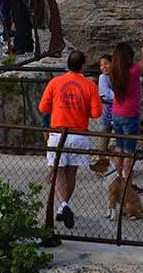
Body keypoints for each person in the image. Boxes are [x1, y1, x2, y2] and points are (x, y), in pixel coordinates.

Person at [37, 49, 100, 230]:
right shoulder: (89, 86)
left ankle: (62, 205)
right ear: (83, 65)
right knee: (72, 173)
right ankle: (62, 207)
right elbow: (96, 113)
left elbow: (43, 107)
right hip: (79, 134)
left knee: (58, 172)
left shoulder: (55, 82)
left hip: (58, 133)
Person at [103, 37, 143, 190]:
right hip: (130, 114)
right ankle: (127, 177)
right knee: (130, 149)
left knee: (119, 146)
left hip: (117, 112)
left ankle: (118, 173)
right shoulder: (133, 71)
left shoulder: (114, 71)